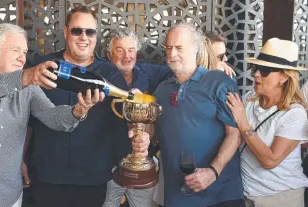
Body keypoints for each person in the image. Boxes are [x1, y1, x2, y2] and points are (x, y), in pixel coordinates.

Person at [0, 23, 104, 207]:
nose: (22, 58)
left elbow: (52, 116)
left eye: (24, 52)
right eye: (15, 50)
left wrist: (78, 111)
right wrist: (26, 77)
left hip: (7, 198)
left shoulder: (28, 88)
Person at [22, 6, 150, 207]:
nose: (84, 37)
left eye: (90, 31)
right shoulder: (45, 67)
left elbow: (125, 118)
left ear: (96, 36)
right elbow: (26, 121)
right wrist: (21, 159)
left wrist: (139, 132)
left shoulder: (110, 74)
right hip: (48, 176)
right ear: (65, 32)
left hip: (93, 178)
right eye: (77, 30)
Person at [153, 22, 244, 207]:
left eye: (179, 48)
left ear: (196, 49)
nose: (172, 54)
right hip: (177, 194)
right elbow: (155, 133)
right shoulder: (161, 90)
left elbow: (235, 133)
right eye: (168, 48)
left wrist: (213, 171)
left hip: (220, 194)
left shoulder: (219, 82)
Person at [226, 38, 308, 207]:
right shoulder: (249, 99)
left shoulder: (294, 114)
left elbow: (270, 161)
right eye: (255, 68)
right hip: (245, 193)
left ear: (284, 77)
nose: (256, 74)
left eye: (265, 70)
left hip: (280, 197)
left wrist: (243, 123)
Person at [102, 28, 171, 207]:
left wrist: (214, 65)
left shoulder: (146, 72)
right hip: (107, 167)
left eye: (131, 50)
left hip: (142, 165)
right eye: (120, 50)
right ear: (109, 54)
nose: (127, 56)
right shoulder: (100, 75)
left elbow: (179, 70)